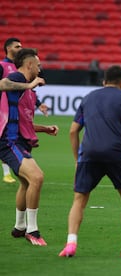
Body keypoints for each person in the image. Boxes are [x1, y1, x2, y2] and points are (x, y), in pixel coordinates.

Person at [59, 65, 121, 258]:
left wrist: (77, 159)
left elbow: (73, 131)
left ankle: (71, 244)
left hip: (88, 154)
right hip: (115, 153)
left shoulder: (88, 97)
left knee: (79, 200)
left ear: (104, 81)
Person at [0, 48, 59, 246]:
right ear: (29, 65)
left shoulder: (30, 93)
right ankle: (33, 231)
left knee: (26, 183)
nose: (40, 69)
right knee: (37, 177)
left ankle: (19, 227)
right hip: (9, 141)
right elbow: (3, 83)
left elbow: (26, 122)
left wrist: (45, 129)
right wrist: (30, 83)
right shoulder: (16, 77)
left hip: (21, 140)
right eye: (38, 65)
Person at [0, 37, 49, 183]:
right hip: (5, 113)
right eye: (17, 46)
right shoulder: (4, 67)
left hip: (13, 119)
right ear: (8, 48)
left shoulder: (20, 71)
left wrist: (38, 103)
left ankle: (7, 173)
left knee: (27, 182)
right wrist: (28, 86)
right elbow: (2, 84)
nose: (20, 48)